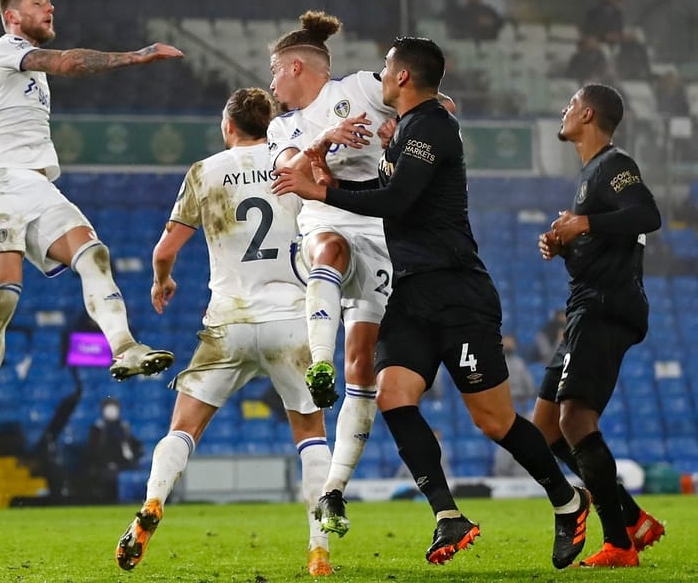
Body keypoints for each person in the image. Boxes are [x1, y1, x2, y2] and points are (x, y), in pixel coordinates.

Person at [273, 37, 589, 569]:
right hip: (410, 292)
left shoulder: (432, 129)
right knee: (392, 396)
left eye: (386, 67)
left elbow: (396, 201)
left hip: (455, 292)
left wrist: (321, 192)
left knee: (494, 422)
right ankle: (447, 515)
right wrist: (328, 175)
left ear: (400, 78)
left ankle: (568, 499)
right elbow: (383, 187)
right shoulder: (402, 135)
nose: (379, 73)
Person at [116, 88, 334, 576]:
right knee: (311, 437)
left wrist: (161, 280)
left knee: (183, 427)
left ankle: (152, 503)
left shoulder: (205, 171)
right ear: (268, 124)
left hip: (228, 322)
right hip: (290, 318)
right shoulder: (292, 162)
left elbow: (164, 249)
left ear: (228, 125)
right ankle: (319, 550)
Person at [0, 0, 183, 448]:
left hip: (38, 185)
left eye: (50, 2)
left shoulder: (29, 73)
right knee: (2, 299)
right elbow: (68, 62)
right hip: (0, 180)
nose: (50, 8)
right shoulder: (3, 50)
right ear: (12, 17)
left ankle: (124, 348)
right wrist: (137, 56)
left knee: (94, 253)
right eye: (38, 4)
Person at [264, 10, 396, 538]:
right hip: (326, 218)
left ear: (295, 66)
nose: (271, 83)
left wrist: (400, 127)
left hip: (382, 229)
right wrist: (327, 140)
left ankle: (334, 492)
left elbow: (437, 106)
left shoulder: (364, 87)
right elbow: (292, 172)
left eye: (274, 72)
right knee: (328, 250)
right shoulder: (283, 126)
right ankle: (320, 367)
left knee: (364, 367)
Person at [533, 83, 664, 568]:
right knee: (545, 430)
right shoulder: (590, 176)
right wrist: (565, 243)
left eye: (569, 104)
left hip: (607, 304)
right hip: (586, 302)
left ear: (587, 114)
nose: (564, 111)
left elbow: (648, 215)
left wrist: (582, 226)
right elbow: (609, 237)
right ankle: (632, 517)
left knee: (573, 419)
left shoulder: (614, 164)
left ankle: (620, 545)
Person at [84, 396, 143, 502]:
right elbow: (92, 451)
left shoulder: (124, 428)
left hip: (124, 465)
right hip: (103, 466)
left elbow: (136, 447)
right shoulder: (97, 429)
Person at [501, 335, 536, 410]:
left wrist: (526, 399)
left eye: (510, 342)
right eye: (506, 342)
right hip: (503, 400)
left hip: (520, 400)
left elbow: (529, 386)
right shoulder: (497, 363)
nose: (508, 344)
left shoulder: (519, 362)